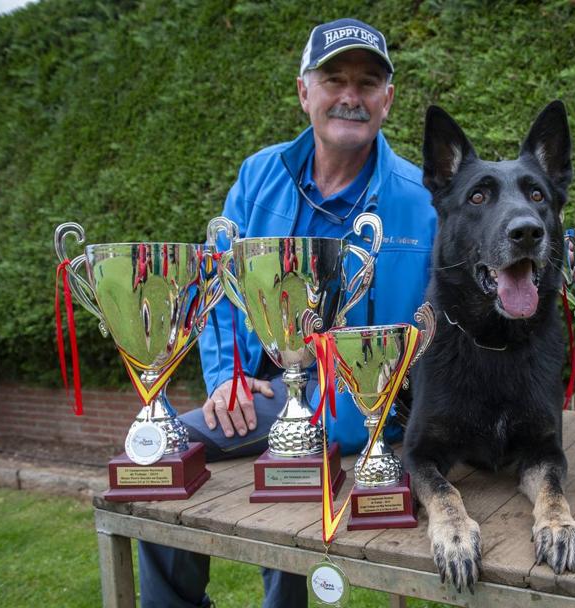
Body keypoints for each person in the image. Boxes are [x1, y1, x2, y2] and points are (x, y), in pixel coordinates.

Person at [137, 18, 436, 608]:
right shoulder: (258, 175)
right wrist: (226, 381)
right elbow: (219, 288)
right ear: (305, 91)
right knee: (162, 458)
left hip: (367, 408)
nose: (351, 95)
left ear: (388, 100)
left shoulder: (423, 198)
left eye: (368, 82)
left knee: (294, 480)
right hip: (264, 392)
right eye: (334, 79)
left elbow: (432, 328)